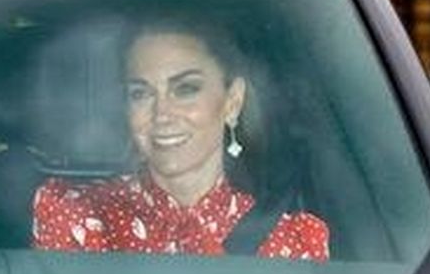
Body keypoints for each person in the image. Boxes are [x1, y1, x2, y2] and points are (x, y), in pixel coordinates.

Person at [31, 19, 330, 260]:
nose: (162, 114)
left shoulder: (295, 240)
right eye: (140, 93)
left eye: (186, 89)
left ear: (233, 102)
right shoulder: (75, 213)